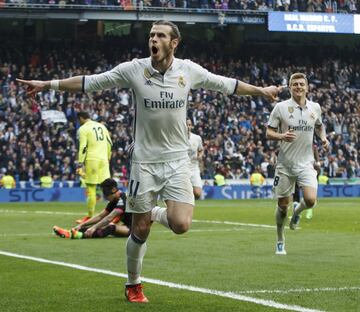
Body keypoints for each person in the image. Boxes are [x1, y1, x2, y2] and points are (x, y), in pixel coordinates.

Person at [17, 20, 282, 302]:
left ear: (174, 43)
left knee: (181, 224)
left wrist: (260, 91)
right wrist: (48, 84)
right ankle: (133, 284)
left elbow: (226, 85)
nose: (153, 39)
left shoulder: (188, 71)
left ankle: (155, 212)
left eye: (160, 35)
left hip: (178, 160)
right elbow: (91, 82)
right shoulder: (134, 69)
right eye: (151, 35)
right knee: (139, 229)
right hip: (144, 162)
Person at [266, 72, 329, 256]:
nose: (299, 87)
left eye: (302, 84)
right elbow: (269, 132)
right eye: (295, 84)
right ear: (290, 87)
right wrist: (282, 136)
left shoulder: (315, 107)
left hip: (306, 163)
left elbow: (319, 125)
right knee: (282, 206)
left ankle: (298, 210)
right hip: (285, 165)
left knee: (310, 200)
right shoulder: (281, 108)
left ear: (307, 87)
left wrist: (323, 138)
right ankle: (280, 240)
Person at [53, 178, 131, 239]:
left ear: (113, 190)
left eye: (106, 194)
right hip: (128, 226)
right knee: (102, 225)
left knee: (110, 227)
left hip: (135, 230)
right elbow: (100, 216)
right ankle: (70, 232)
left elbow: (108, 218)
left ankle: (79, 235)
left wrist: (93, 228)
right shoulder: (114, 200)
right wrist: (81, 225)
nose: (105, 197)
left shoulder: (123, 199)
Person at [75, 111, 112, 224]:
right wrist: (108, 157)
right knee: (109, 188)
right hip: (104, 160)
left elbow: (83, 146)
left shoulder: (83, 129)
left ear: (81, 118)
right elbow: (109, 143)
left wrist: (80, 163)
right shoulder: (102, 126)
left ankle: (90, 217)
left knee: (91, 189)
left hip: (92, 159)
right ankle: (116, 214)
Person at [187, 118, 204, 199]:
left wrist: (200, 156)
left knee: (198, 193)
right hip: (182, 168)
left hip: (194, 167)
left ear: (192, 126)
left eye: (189, 125)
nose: (188, 127)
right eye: (186, 125)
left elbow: (201, 150)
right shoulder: (178, 138)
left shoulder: (197, 138)